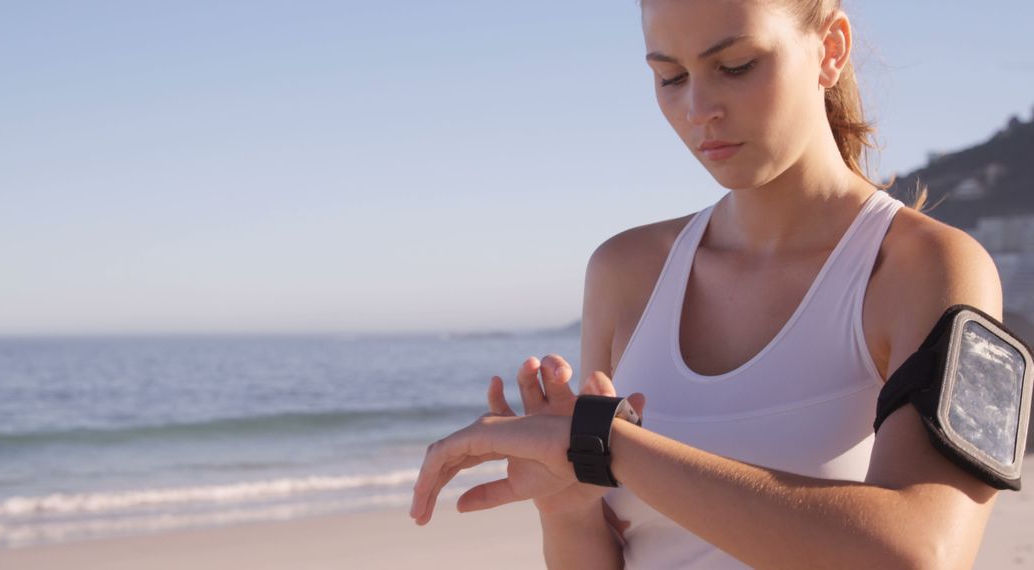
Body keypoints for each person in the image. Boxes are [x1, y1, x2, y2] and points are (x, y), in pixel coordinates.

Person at [410, 0, 1006, 567]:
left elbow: (922, 553)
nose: (698, 109)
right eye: (669, 77)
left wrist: (607, 446)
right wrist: (566, 509)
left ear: (830, 47)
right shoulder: (625, 272)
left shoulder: (929, 268)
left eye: (736, 66)